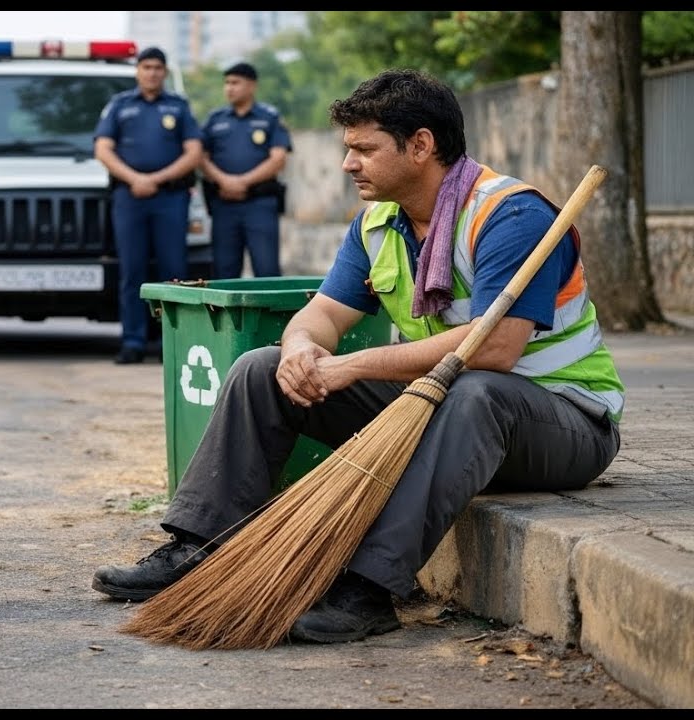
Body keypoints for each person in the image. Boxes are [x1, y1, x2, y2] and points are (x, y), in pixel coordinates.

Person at [91, 68, 626, 644]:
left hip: (563, 422)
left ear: (421, 145)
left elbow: (492, 347)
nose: (348, 164)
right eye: (349, 149)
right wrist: (298, 348)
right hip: (443, 407)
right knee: (260, 370)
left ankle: (369, 589)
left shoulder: (511, 216)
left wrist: (349, 365)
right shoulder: (377, 223)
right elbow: (321, 315)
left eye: (364, 149)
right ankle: (199, 547)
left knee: (477, 392)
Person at [93, 46, 203, 365]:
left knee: (174, 273)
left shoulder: (178, 106)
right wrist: (135, 179)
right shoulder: (120, 105)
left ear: (164, 72)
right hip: (130, 198)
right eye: (146, 67)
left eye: (157, 68)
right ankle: (133, 341)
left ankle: (174, 343)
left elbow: (194, 152)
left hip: (170, 198)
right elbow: (102, 149)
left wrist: (155, 178)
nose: (152, 73)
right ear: (137, 71)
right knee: (132, 271)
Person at [200, 61, 293, 279]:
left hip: (259, 204)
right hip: (224, 205)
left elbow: (278, 159)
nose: (229, 88)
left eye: (235, 82)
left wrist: (242, 182)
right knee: (224, 273)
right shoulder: (215, 119)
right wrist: (224, 181)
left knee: (267, 271)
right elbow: (201, 157)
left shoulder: (269, 117)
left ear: (252, 86)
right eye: (226, 83)